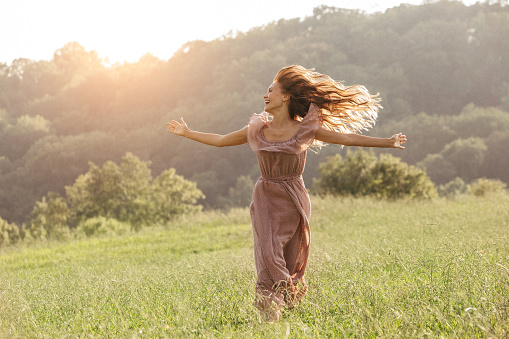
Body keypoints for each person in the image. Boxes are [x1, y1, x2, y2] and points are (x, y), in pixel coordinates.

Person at [167, 65, 407, 322]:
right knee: (268, 252)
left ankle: (283, 299)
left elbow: (346, 138)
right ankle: (278, 302)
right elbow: (222, 140)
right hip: (266, 196)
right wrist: (187, 133)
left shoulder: (305, 129)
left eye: (270, 90)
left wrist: (387, 142)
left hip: (293, 196)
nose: (265, 95)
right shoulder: (258, 128)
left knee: (288, 255)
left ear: (286, 97)